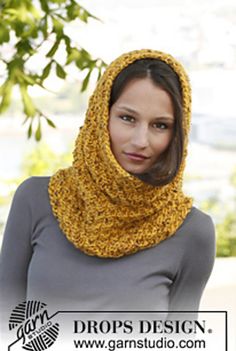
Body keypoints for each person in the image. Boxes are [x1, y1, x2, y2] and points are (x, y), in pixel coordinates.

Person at [0, 49, 215, 319]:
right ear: (101, 116)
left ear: (177, 134)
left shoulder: (193, 232)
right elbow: (5, 324)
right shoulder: (35, 200)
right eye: (127, 118)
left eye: (160, 125)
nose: (140, 141)